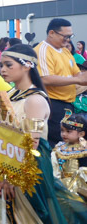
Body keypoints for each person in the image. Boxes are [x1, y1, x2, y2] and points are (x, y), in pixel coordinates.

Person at [0, 44, 87, 224]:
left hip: (30, 166)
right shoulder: (11, 94)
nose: (2, 69)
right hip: (12, 163)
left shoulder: (35, 99)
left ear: (27, 66)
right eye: (2, 64)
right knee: (19, 223)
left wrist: (12, 175)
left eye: (9, 65)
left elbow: (32, 142)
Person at [36, 19, 87, 147]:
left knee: (68, 142)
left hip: (68, 104)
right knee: (55, 141)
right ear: (51, 33)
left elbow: (77, 74)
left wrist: (82, 78)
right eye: (65, 36)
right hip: (53, 103)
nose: (68, 40)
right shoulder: (43, 50)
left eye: (70, 36)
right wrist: (77, 80)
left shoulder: (65, 51)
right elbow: (45, 78)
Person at [51, 112, 87, 199]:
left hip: (79, 187)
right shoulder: (59, 148)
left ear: (81, 134)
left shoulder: (84, 150)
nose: (64, 134)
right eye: (62, 130)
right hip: (60, 185)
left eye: (68, 131)